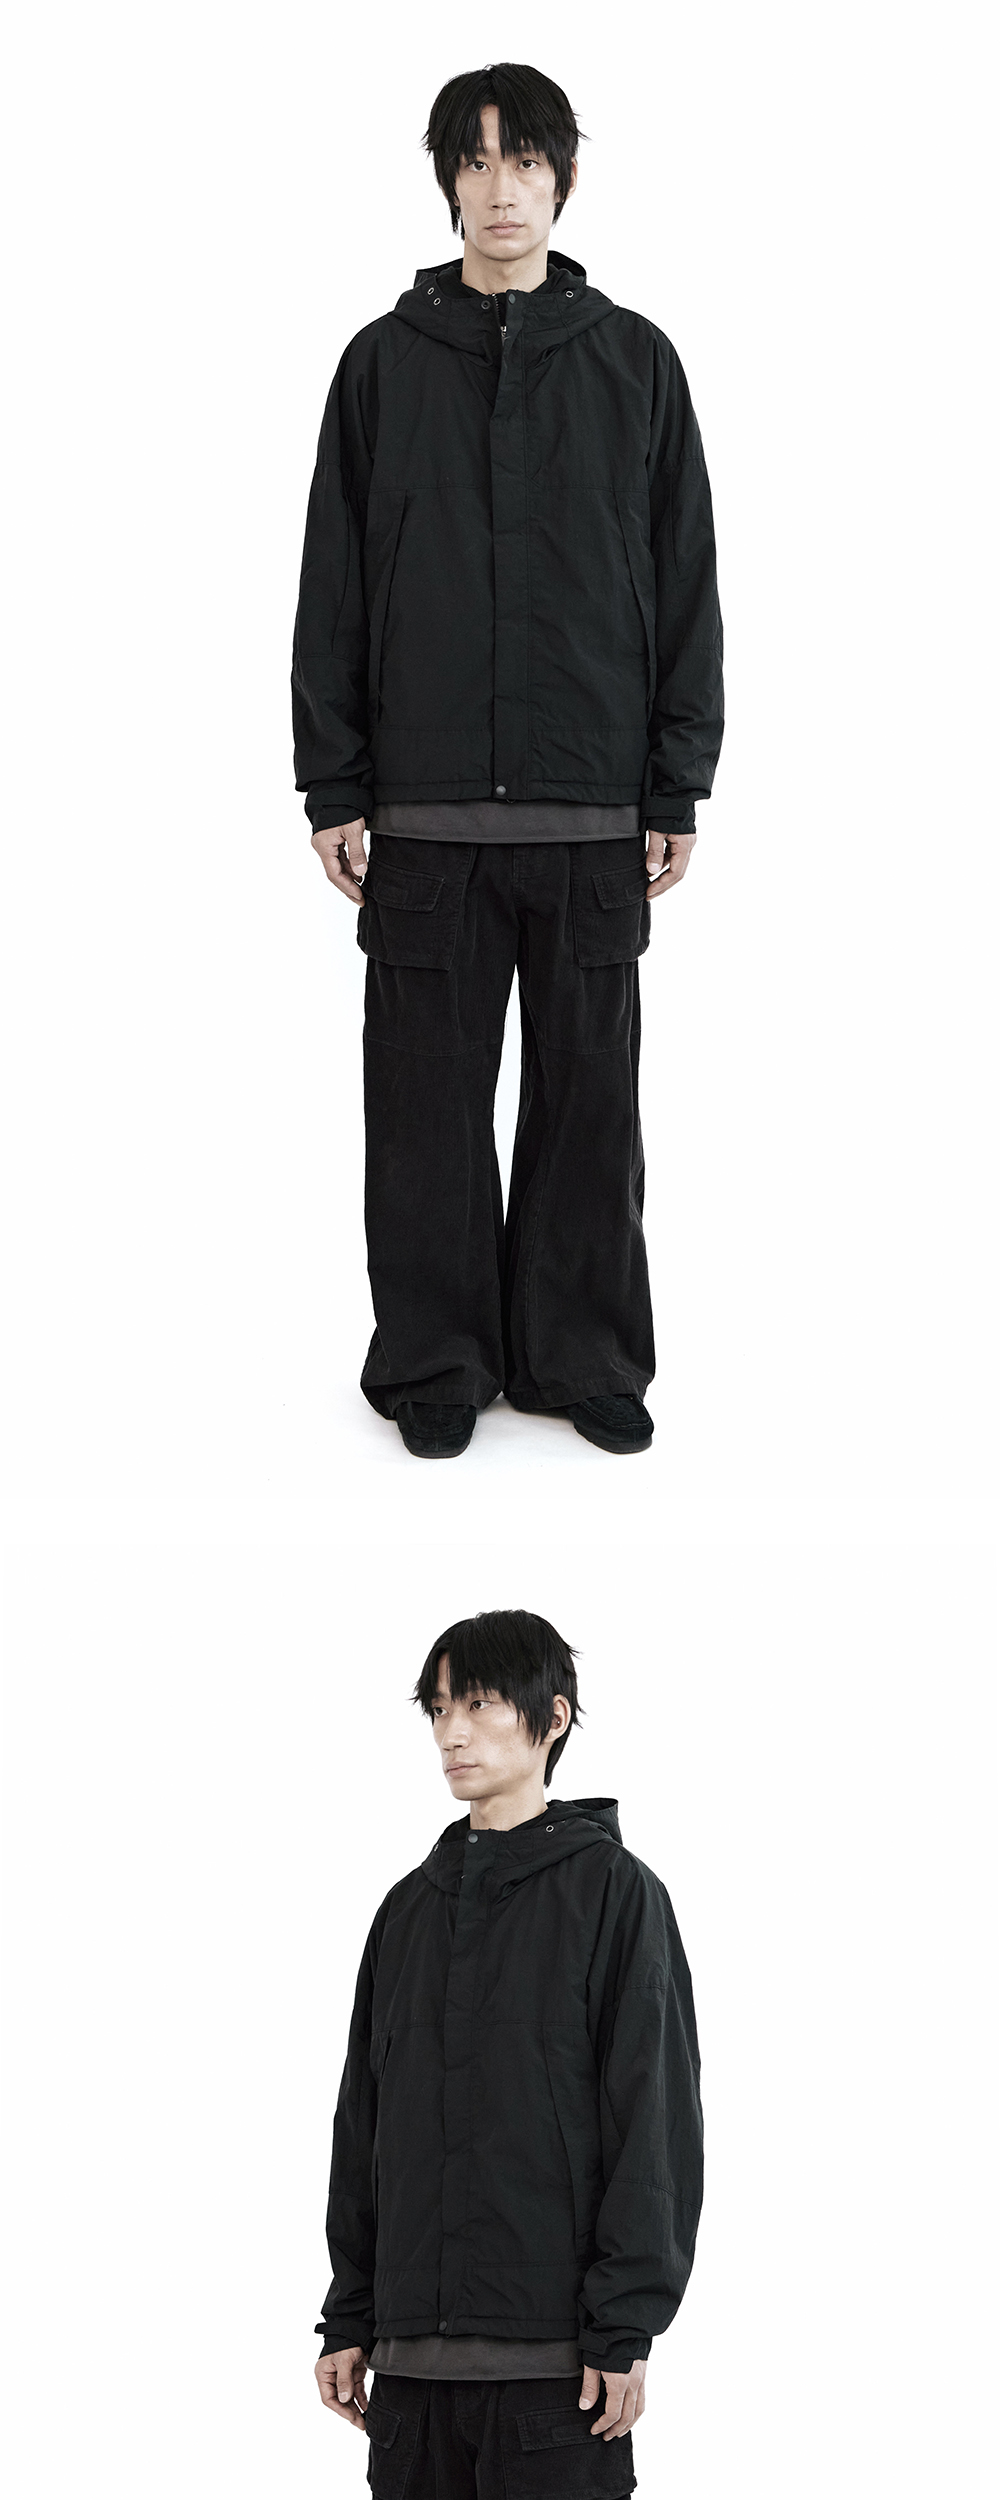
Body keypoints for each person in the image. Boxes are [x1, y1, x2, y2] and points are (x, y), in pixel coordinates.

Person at [292, 62, 723, 1460]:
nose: (500, 188)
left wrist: (675, 780)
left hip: (592, 810)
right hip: (422, 818)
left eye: (524, 160)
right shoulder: (380, 364)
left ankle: (580, 1357)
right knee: (423, 1113)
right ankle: (435, 1360)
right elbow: (333, 584)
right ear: (446, 182)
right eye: (474, 161)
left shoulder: (635, 361)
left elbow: (686, 582)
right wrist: (335, 784)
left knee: (590, 1112)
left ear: (563, 179)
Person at [314, 1610, 703, 2498]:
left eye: (480, 1703)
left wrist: (623, 2327)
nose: (451, 1732)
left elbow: (653, 2125)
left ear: (552, 1718)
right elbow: (363, 2130)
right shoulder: (405, 1911)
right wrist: (350, 2316)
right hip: (407, 2388)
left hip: (555, 2381)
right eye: (439, 1708)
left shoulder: (616, 1895)